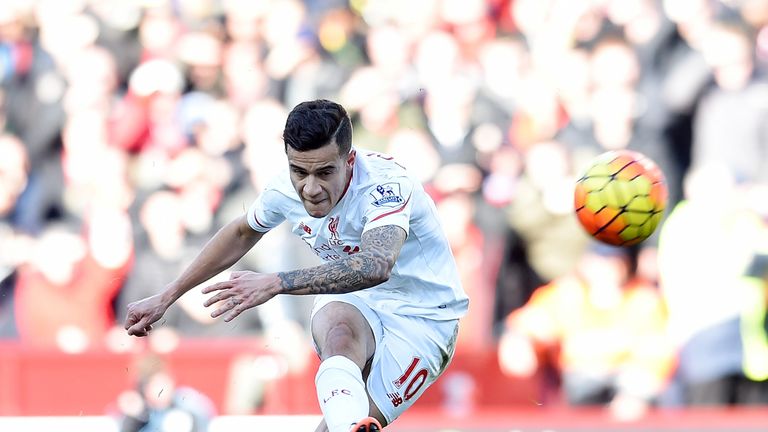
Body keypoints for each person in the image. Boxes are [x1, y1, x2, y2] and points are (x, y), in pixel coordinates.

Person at [124, 99, 469, 432]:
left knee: (341, 425)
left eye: (324, 172)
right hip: (361, 300)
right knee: (338, 332)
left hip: (424, 319)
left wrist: (277, 282)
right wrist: (166, 296)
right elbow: (243, 232)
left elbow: (376, 265)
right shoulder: (283, 189)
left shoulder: (384, 187)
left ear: (350, 160)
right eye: (299, 171)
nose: (310, 188)